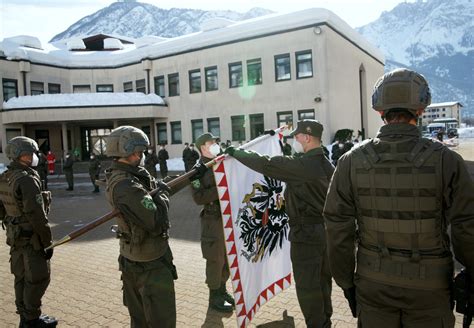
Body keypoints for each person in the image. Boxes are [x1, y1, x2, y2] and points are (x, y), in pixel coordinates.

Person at [323, 68, 474, 327]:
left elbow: (337, 228)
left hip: (373, 285)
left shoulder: (350, 161)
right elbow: (466, 226)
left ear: (380, 112)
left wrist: (346, 283)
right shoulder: (446, 160)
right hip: (430, 289)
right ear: (421, 109)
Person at [225, 121, 334, 327]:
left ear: (307, 138)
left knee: (308, 288)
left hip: (306, 237)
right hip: (325, 234)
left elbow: (267, 164)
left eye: (297, 137)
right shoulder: (325, 163)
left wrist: (238, 153)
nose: (295, 140)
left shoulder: (303, 167)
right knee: (322, 282)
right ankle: (325, 321)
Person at [105, 126, 177, 327]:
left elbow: (149, 193)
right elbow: (155, 221)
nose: (143, 155)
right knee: (159, 319)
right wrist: (162, 196)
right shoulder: (127, 185)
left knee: (143, 320)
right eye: (140, 152)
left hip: (139, 257)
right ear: (131, 152)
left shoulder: (128, 176)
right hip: (148, 264)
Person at [0, 137, 57, 327]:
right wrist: (47, 242)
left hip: (15, 237)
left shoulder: (5, 176)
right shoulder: (26, 179)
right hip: (32, 238)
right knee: (38, 277)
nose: (34, 157)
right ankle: (32, 319)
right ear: (21, 155)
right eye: (31, 153)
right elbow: (37, 215)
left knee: (21, 276)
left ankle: (24, 315)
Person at [190, 132, 234, 313]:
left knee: (227, 258)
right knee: (215, 258)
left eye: (216, 141)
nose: (216, 144)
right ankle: (214, 296)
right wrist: (222, 189)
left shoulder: (221, 161)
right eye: (212, 142)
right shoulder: (197, 170)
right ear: (203, 147)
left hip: (227, 218)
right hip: (212, 219)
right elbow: (199, 197)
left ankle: (222, 290)